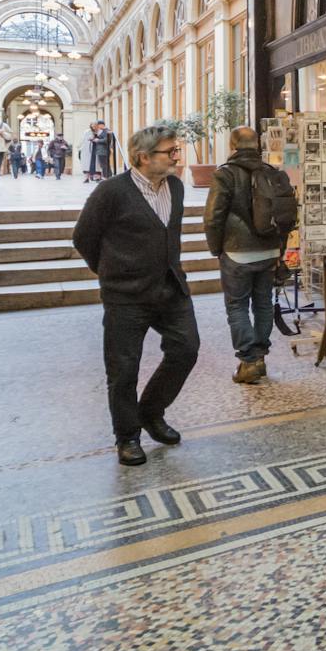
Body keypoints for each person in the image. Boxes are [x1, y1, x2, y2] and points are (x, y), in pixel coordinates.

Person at [72, 124, 200, 466]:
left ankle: (151, 411)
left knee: (186, 349)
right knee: (123, 368)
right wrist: (113, 272)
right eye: (169, 152)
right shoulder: (111, 192)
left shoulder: (175, 186)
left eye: (176, 150)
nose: (176, 156)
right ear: (143, 157)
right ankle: (127, 436)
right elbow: (83, 238)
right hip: (126, 296)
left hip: (170, 288)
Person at [203, 125, 292, 385]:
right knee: (263, 303)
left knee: (237, 305)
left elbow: (213, 216)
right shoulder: (271, 172)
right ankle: (261, 357)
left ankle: (249, 361)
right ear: (258, 145)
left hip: (237, 252)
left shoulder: (225, 175)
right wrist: (280, 250)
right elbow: (284, 217)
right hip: (269, 250)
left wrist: (216, 248)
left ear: (233, 145)